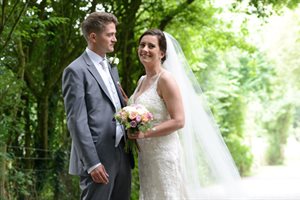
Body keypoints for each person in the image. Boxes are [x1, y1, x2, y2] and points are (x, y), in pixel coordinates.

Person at [128, 29, 245, 199]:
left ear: (162, 53)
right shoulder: (141, 80)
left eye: (151, 46)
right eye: (142, 45)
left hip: (163, 154)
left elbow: (179, 120)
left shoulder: (166, 79)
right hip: (147, 157)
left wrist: (145, 133)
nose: (144, 49)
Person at [62, 12, 133, 200]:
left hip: (122, 152)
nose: (115, 39)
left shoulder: (110, 67)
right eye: (110, 34)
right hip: (97, 156)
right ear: (93, 36)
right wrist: (92, 163)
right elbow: (76, 120)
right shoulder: (75, 71)